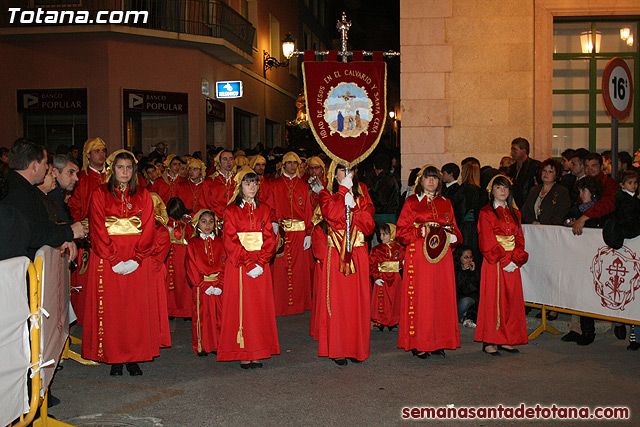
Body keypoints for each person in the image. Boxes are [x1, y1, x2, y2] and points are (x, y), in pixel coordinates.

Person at [81, 150, 163, 376]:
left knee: (134, 309)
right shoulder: (99, 193)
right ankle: (114, 357)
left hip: (138, 259)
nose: (124, 172)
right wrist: (113, 258)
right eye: (120, 167)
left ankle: (134, 356)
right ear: (112, 170)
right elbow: (97, 227)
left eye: (128, 168)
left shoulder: (144, 194)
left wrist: (138, 258)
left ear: (134, 171)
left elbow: (148, 227)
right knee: (113, 309)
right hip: (109, 258)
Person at [396, 165, 462, 359]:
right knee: (422, 298)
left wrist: (454, 238)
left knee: (441, 297)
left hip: (442, 258)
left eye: (435, 178)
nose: (431, 181)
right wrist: (419, 232)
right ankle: (420, 341)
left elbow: (456, 230)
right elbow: (401, 232)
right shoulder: (411, 202)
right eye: (427, 178)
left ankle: (439, 341)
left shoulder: (446, 203)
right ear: (420, 181)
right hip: (419, 256)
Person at [218, 167, 279, 369]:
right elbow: (230, 240)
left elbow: (270, 237)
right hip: (240, 265)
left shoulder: (265, 209)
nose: (252, 187)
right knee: (242, 308)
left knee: (259, 308)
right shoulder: (231, 210)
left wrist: (261, 261)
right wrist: (248, 262)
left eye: (254, 183)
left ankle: (258, 350)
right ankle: (243, 350)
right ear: (239, 186)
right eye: (247, 183)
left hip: (259, 265)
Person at [317, 162, 375, 365]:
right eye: (342, 170)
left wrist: (355, 210)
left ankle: (356, 348)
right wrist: (342, 192)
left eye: (350, 170)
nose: (347, 173)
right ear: (334, 173)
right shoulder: (326, 193)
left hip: (358, 253)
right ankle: (339, 348)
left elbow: (369, 227)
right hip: (338, 254)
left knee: (357, 301)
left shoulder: (363, 192)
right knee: (338, 301)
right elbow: (331, 214)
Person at [1, 138, 83, 260]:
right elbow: (32, 232)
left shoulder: (26, 189)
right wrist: (68, 232)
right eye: (45, 163)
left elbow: (45, 225)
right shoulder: (15, 193)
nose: (46, 168)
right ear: (34, 166)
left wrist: (62, 237)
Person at [475, 175, 529, 356]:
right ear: (492, 191)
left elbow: (519, 239)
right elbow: (486, 239)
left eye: (506, 188)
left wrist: (516, 259)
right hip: (495, 262)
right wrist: (502, 259)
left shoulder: (516, 213)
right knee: (493, 301)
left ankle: (507, 338)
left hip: (511, 262)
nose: (503, 191)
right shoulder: (486, 213)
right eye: (499, 187)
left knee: (511, 300)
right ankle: (490, 340)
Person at [268, 152, 313, 316]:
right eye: (289, 163)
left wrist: (309, 232)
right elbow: (270, 206)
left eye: (296, 163)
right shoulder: (275, 184)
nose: (293, 166)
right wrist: (273, 223)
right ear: (283, 165)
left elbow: (308, 210)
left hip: (300, 233)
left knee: (299, 269)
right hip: (282, 231)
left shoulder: (304, 186)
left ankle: (298, 305)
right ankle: (281, 305)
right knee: (281, 269)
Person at [187, 210, 225, 356]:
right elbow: (191, 266)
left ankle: (218, 344)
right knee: (202, 316)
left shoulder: (221, 242)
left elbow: (226, 262)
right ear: (197, 224)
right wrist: (202, 285)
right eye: (204, 221)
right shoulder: (193, 244)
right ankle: (201, 346)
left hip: (218, 284)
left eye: (211, 221)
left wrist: (221, 283)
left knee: (219, 316)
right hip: (202, 286)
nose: (208, 225)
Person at [369, 223, 405, 332]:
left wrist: (403, 263)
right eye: (380, 235)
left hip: (395, 278)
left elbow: (404, 262)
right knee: (381, 300)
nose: (382, 237)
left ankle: (393, 322)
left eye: (385, 234)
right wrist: (376, 277)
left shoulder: (400, 248)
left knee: (395, 300)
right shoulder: (376, 249)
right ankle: (379, 322)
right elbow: (371, 264)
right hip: (382, 277)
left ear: (392, 234)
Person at [571, 153, 617, 236]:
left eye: (593, 165)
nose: (590, 169)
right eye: (587, 166)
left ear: (602, 167)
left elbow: (608, 203)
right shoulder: (583, 183)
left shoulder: (608, 183)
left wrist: (584, 217)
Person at [452, 161, 486, 267]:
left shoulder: (463, 190)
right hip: (477, 229)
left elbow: (459, 211)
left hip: (464, 228)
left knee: (462, 257)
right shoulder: (482, 191)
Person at [165, 197, 194, 319]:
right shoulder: (167, 222)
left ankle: (186, 311)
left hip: (183, 255)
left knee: (184, 283)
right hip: (171, 254)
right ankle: (171, 310)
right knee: (171, 282)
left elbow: (191, 236)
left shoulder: (187, 221)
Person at [521, 159, 571, 226]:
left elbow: (562, 214)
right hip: (533, 228)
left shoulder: (562, 191)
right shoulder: (534, 190)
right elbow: (525, 210)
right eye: (544, 171)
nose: (546, 174)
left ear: (556, 175)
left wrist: (544, 224)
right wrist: (533, 221)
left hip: (551, 229)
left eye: (550, 171)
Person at [603, 170, 640, 250]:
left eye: (635, 182)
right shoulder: (622, 199)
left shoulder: (634, 198)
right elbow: (628, 215)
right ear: (622, 185)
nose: (633, 185)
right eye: (630, 183)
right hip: (626, 226)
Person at [508, 137, 541, 209]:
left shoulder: (535, 166)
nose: (512, 152)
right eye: (511, 149)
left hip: (529, 205)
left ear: (524, 151)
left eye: (515, 149)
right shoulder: (511, 168)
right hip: (514, 206)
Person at [453, 244, 480, 328]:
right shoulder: (455, 270)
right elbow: (460, 289)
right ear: (460, 258)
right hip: (459, 300)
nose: (469, 260)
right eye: (466, 257)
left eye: (471, 257)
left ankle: (467, 319)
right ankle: (458, 319)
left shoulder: (476, 269)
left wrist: (472, 273)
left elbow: (475, 289)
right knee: (465, 301)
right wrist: (464, 272)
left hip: (473, 299)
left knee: (470, 301)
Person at [369, 153, 400, 225]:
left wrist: (370, 194)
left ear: (374, 166)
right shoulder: (391, 178)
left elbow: (380, 199)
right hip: (391, 214)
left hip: (383, 216)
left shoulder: (383, 180)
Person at [208, 150, 236, 220]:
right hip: (215, 220)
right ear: (219, 162)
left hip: (234, 220)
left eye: (231, 159)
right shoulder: (210, 181)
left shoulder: (238, 180)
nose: (228, 162)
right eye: (225, 159)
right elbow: (205, 204)